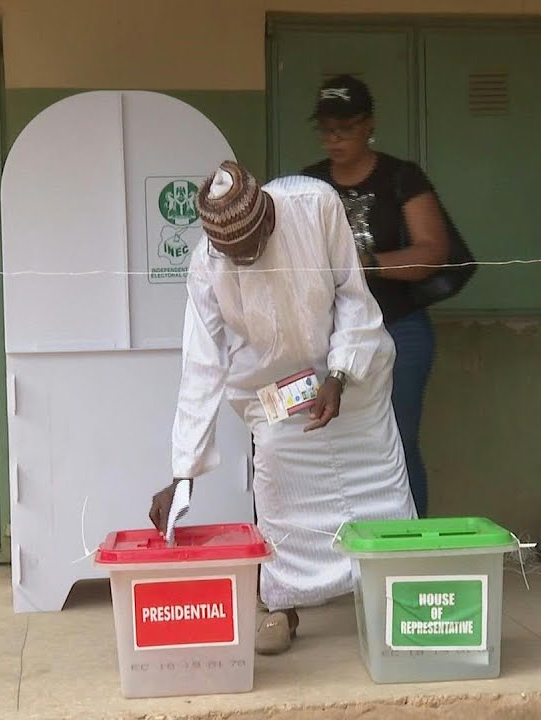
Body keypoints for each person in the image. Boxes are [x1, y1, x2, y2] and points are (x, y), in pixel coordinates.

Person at [149, 160, 416, 655]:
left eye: (249, 251)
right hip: (278, 389)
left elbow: (353, 296)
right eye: (232, 255)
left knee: (378, 484)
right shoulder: (208, 264)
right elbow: (202, 366)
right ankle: (281, 607)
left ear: (268, 217)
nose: (242, 262)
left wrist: (337, 374)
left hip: (350, 373)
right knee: (276, 480)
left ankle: (393, 602)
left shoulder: (314, 204)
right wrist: (183, 471)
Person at [301, 74, 450, 519]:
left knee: (398, 441)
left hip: (398, 328)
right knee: (330, 445)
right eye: (326, 129)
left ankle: (410, 550)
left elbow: (432, 253)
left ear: (368, 125)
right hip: (328, 336)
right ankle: (343, 555)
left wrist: (363, 265)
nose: (334, 139)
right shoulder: (307, 183)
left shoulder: (400, 177)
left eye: (344, 128)